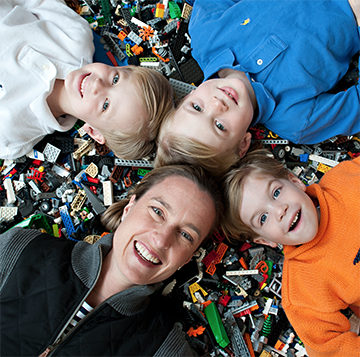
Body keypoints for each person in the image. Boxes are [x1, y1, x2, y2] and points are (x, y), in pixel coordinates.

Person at [0, 164, 223, 356]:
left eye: (186, 235)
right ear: (128, 208)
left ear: (188, 259)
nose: (161, 240)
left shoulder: (165, 349)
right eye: (158, 211)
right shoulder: (20, 249)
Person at [155, 0, 360, 177]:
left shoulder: (205, 35)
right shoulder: (297, 121)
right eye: (220, 126)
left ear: (188, 94)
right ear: (243, 144)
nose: (217, 105)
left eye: (197, 107)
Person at [221, 149, 360, 356]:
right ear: (264, 240)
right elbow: (330, 349)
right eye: (263, 218)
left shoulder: (344, 178)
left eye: (276, 193)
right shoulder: (301, 290)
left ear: (295, 182)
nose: (280, 211)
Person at [0, 0, 174, 160]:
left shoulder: (13, 138)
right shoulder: (76, 36)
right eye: (115, 79)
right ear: (120, 67)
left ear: (94, 131)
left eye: (106, 105)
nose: (98, 84)